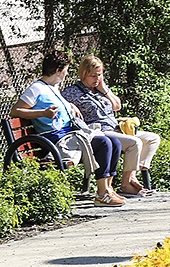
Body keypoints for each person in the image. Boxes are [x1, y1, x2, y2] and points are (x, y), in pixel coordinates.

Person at [10, 50, 125, 207]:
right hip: (55, 140)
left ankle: (108, 189)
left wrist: (69, 105)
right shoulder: (36, 88)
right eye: (66, 70)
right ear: (58, 71)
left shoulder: (52, 87)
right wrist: (42, 113)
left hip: (69, 134)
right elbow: (15, 111)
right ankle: (102, 193)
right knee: (104, 143)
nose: (67, 73)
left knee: (115, 142)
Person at [62, 55, 160, 196]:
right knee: (135, 143)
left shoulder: (101, 88)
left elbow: (117, 106)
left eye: (99, 74)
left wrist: (104, 89)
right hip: (100, 132)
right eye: (93, 76)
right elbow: (59, 104)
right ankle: (126, 184)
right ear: (84, 74)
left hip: (116, 128)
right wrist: (70, 105)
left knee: (152, 138)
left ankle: (134, 174)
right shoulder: (72, 92)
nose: (97, 79)